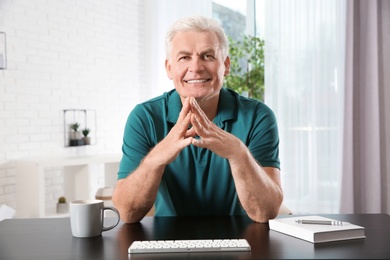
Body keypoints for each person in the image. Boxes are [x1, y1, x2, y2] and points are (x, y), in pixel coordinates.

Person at [112, 15, 283, 224]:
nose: (196, 67)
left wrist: (238, 153)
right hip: (168, 243)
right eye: (184, 57)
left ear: (226, 66)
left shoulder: (258, 116)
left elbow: (265, 212)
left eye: (208, 56)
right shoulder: (144, 117)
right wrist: (157, 157)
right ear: (169, 68)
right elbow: (127, 213)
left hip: (244, 243)